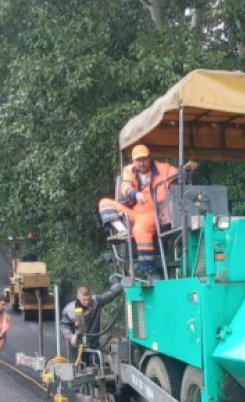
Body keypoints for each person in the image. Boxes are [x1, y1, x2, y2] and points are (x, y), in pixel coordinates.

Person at [98, 145, 198, 277]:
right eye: (138, 160)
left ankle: (149, 268)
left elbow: (178, 174)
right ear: (133, 161)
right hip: (133, 210)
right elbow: (124, 187)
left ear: (149, 158)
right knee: (104, 203)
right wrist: (136, 194)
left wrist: (187, 169)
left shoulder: (164, 168)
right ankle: (122, 230)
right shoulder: (128, 170)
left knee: (140, 230)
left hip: (154, 212)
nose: (142, 163)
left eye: (144, 159)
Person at [60, 282, 124, 364]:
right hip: (76, 345)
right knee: (76, 368)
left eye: (89, 299)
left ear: (91, 295)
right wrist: (71, 336)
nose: (87, 302)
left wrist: (122, 284)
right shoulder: (69, 310)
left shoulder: (96, 301)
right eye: (84, 300)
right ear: (78, 297)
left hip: (93, 343)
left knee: (98, 366)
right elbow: (63, 326)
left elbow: (111, 294)